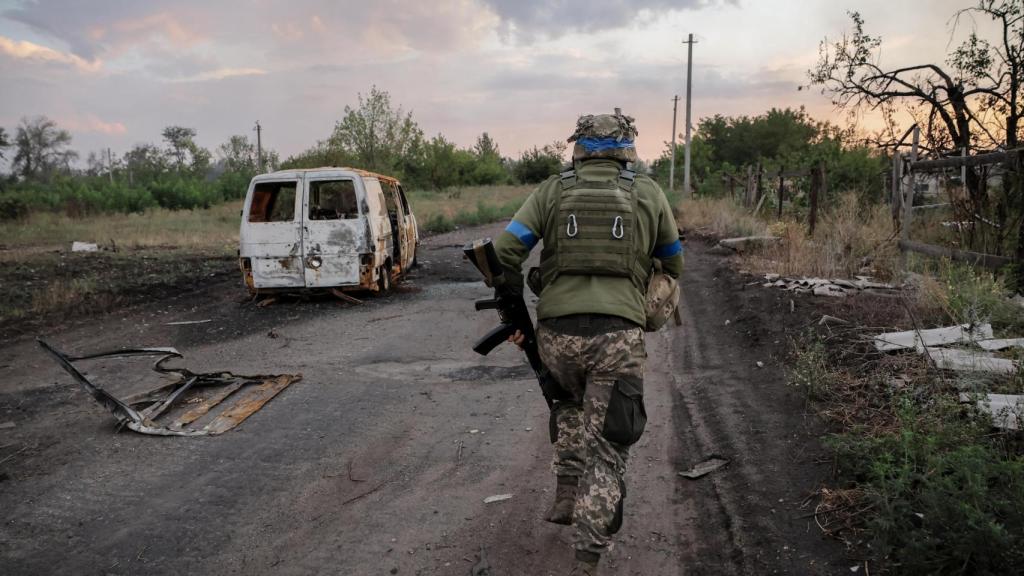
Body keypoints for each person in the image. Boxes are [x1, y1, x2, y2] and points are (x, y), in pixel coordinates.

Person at [494, 109, 683, 575]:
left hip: (557, 336)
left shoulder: (552, 190)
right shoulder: (649, 192)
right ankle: (586, 560)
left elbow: (504, 251)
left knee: (567, 402)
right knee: (610, 448)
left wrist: (517, 307)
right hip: (617, 339)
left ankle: (565, 495)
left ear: (578, 147)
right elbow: (673, 265)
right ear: (627, 149)